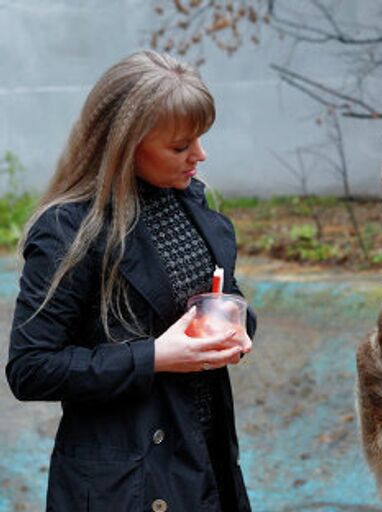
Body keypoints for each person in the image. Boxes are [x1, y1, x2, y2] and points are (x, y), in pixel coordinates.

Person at [5, 50, 256, 511]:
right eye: (180, 147)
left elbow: (222, 293)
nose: (200, 156)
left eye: (199, 139)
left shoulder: (196, 209)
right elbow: (31, 368)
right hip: (125, 483)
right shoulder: (69, 232)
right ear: (124, 145)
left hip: (206, 459)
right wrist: (154, 357)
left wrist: (235, 323)